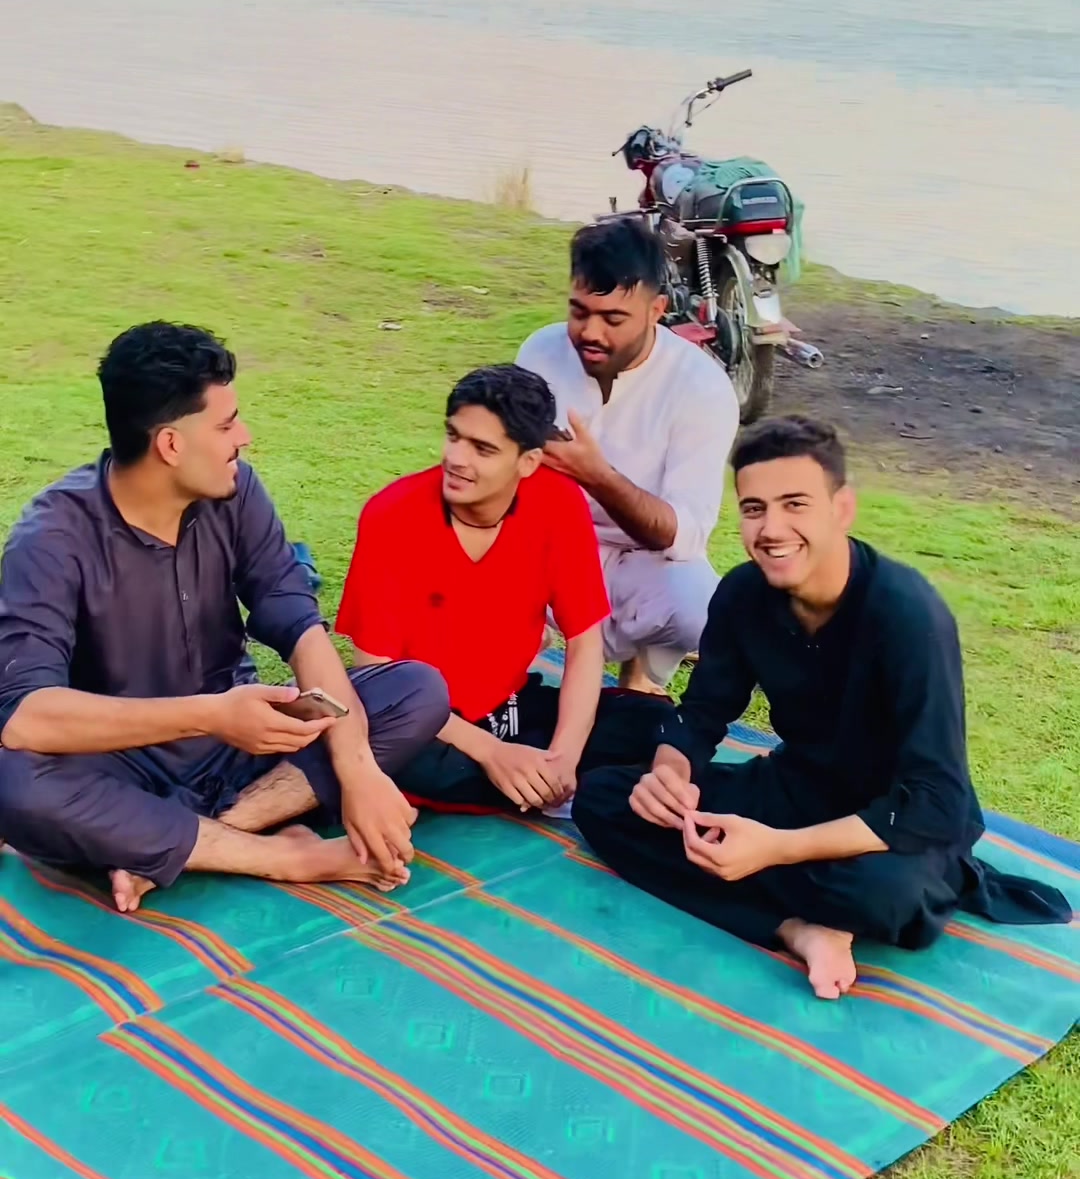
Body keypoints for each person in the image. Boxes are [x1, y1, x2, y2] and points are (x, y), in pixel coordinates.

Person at [574, 415, 1070, 1000]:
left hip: (895, 817)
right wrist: (669, 774)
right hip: (797, 788)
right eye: (754, 509)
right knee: (606, 798)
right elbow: (702, 711)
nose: (771, 529)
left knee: (886, 895)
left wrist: (774, 848)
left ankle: (808, 887)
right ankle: (796, 927)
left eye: (795, 505)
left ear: (841, 509)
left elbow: (936, 800)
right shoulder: (743, 593)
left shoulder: (907, 614)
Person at [0, 323, 450, 910]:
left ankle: (190, 838)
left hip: (242, 748)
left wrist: (357, 765)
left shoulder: (236, 491)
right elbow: (24, 718)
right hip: (124, 759)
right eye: (226, 424)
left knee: (415, 690)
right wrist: (210, 715)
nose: (244, 437)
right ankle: (284, 857)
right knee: (13, 782)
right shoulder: (51, 539)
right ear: (170, 445)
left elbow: (299, 625)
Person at [335, 365, 668, 815]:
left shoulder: (558, 502)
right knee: (379, 750)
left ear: (528, 461)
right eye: (453, 436)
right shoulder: (391, 516)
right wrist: (492, 754)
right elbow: (376, 676)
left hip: (509, 709)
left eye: (483, 449)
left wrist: (564, 758)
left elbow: (584, 642)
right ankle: (525, 784)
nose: (456, 458)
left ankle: (534, 782)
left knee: (657, 725)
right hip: (423, 726)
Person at [515, 216, 739, 692]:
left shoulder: (702, 388)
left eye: (613, 319)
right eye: (579, 312)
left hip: (643, 559)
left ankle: (640, 676)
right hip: (548, 546)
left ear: (657, 310)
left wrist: (598, 476)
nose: (591, 333)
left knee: (702, 606)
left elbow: (683, 536)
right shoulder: (541, 351)